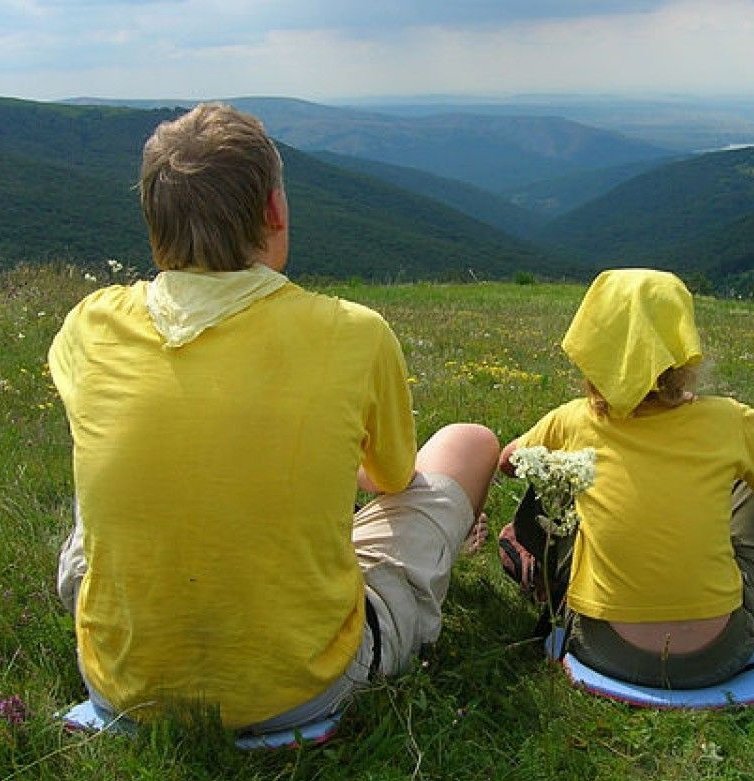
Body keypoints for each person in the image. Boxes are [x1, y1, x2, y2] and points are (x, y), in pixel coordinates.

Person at [49, 102, 498, 733]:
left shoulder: (88, 326)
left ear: (154, 223)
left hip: (123, 683)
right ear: (274, 212)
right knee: (465, 443)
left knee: (105, 489)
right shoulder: (355, 334)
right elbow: (393, 480)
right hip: (304, 687)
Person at [498, 268, 754, 688]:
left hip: (602, 647)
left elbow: (510, 460)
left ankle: (546, 569)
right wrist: (750, 431)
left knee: (551, 475)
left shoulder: (572, 420)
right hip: (720, 653)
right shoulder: (726, 420)